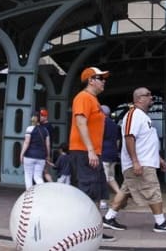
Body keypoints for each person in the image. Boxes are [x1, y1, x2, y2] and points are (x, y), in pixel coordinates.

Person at [102, 87, 166, 234]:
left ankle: (108, 218)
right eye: (148, 95)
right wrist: (135, 162)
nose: (151, 97)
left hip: (144, 162)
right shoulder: (133, 114)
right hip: (141, 164)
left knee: (126, 190)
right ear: (138, 99)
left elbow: (146, 141)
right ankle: (160, 223)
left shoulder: (143, 116)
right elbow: (129, 137)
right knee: (153, 191)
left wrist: (159, 159)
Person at [68, 66, 115, 242]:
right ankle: (83, 232)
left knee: (96, 192)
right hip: (84, 152)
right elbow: (81, 124)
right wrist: (90, 150)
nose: (104, 81)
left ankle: (92, 231)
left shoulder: (92, 100)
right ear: (91, 80)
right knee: (87, 192)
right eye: (100, 78)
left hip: (91, 152)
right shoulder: (83, 97)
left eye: (104, 78)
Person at [20, 114, 50, 189]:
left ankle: (29, 196)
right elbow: (48, 145)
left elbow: (26, 142)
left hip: (29, 156)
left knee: (28, 176)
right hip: (41, 157)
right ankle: (42, 192)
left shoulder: (29, 129)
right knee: (38, 177)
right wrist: (48, 156)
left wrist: (21, 154)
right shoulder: (45, 130)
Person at [101, 104, 122, 210]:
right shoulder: (115, 125)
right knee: (111, 178)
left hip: (103, 153)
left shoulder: (101, 123)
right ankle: (120, 196)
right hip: (113, 154)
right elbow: (118, 141)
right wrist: (116, 151)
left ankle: (103, 201)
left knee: (103, 178)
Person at [38, 108, 55, 182]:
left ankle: (52, 187)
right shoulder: (43, 126)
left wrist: (48, 155)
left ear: (45, 117)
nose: (40, 117)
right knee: (42, 172)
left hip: (45, 152)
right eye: (40, 116)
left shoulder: (48, 127)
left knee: (45, 171)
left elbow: (48, 142)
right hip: (43, 151)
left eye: (41, 116)